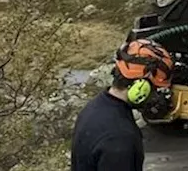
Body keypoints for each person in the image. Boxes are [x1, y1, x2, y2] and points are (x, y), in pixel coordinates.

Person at [70, 38, 175, 171]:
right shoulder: (120, 139)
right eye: (154, 89)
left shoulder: (95, 107)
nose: (155, 96)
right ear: (140, 87)